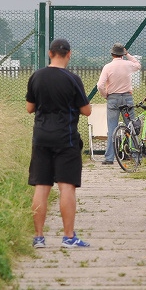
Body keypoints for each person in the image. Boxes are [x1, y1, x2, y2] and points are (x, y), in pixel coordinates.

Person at [25, 38, 92, 249]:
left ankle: (38, 237)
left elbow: (29, 108)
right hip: (66, 138)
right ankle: (68, 236)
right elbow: (86, 110)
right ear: (69, 54)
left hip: (41, 137)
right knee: (66, 187)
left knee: (41, 187)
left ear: (49, 53)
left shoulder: (36, 76)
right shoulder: (72, 79)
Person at [96, 43, 142, 165]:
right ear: (122, 54)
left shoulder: (108, 67)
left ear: (112, 54)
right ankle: (136, 156)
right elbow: (138, 65)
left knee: (112, 127)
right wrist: (128, 54)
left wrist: (105, 95)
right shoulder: (128, 65)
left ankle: (109, 158)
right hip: (127, 98)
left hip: (113, 99)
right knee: (131, 127)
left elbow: (100, 85)